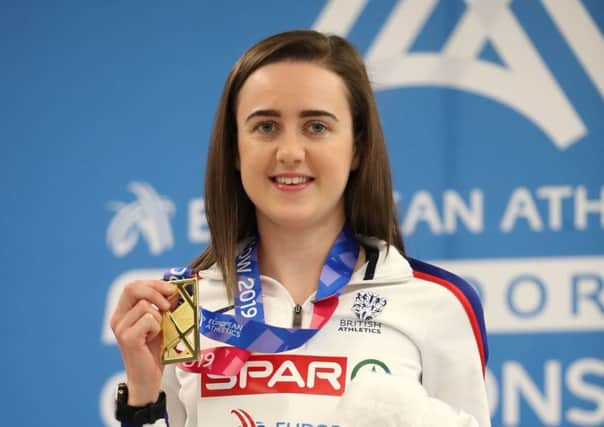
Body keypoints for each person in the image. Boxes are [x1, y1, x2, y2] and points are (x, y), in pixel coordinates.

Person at [111, 29, 490, 427]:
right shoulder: (184, 307)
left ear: (358, 147)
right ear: (235, 149)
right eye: (266, 127)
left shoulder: (438, 302)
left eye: (316, 127)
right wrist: (141, 401)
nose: (290, 152)